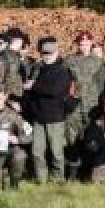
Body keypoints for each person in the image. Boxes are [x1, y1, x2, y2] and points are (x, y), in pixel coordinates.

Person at [26, 37, 75, 184]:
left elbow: (55, 90)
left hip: (55, 117)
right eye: (44, 53)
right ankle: (41, 179)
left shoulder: (63, 71)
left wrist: (34, 86)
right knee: (37, 152)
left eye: (50, 53)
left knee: (56, 152)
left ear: (57, 52)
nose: (47, 56)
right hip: (38, 117)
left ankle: (57, 179)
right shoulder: (37, 69)